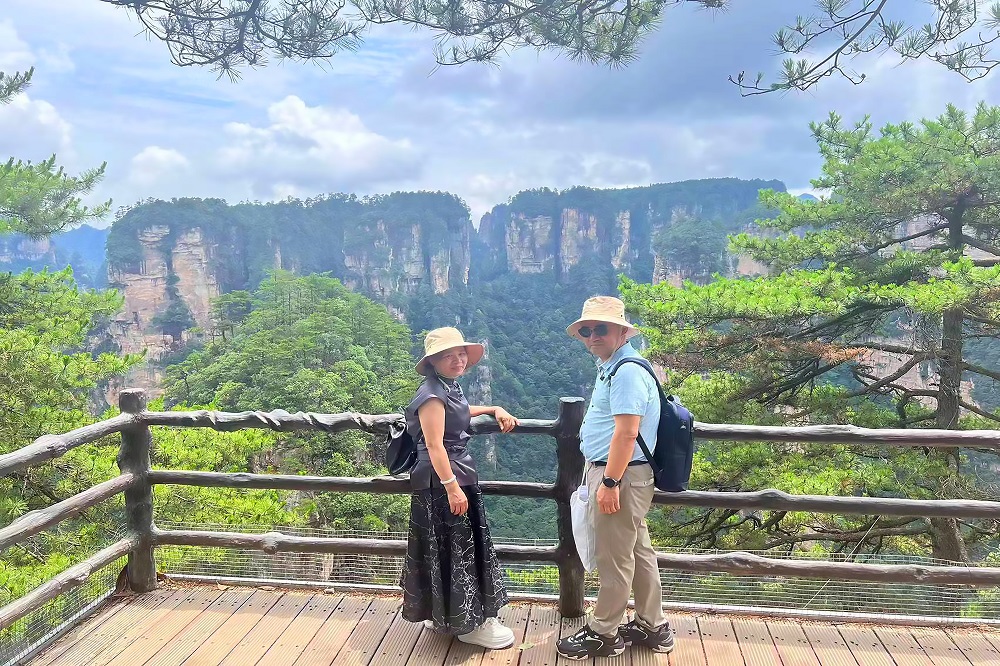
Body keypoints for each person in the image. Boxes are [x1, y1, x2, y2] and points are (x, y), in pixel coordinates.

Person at [555, 296, 675, 660]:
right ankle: (653, 626)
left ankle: (604, 633)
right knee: (638, 551)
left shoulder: (626, 372)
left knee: (614, 559)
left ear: (622, 331)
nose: (593, 336)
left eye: (601, 329)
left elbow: (626, 433)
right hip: (625, 474)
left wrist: (608, 483)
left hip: (619, 476)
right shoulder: (614, 365)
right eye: (587, 331)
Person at [400, 326, 520, 649]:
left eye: (461, 354)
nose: (458, 360)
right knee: (458, 549)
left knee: (445, 548)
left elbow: (460, 413)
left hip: (451, 477)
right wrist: (452, 487)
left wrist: (493, 409)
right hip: (442, 482)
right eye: (448, 356)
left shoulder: (446, 387)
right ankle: (469, 625)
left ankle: (443, 614)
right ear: (433, 361)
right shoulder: (431, 395)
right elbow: (434, 445)